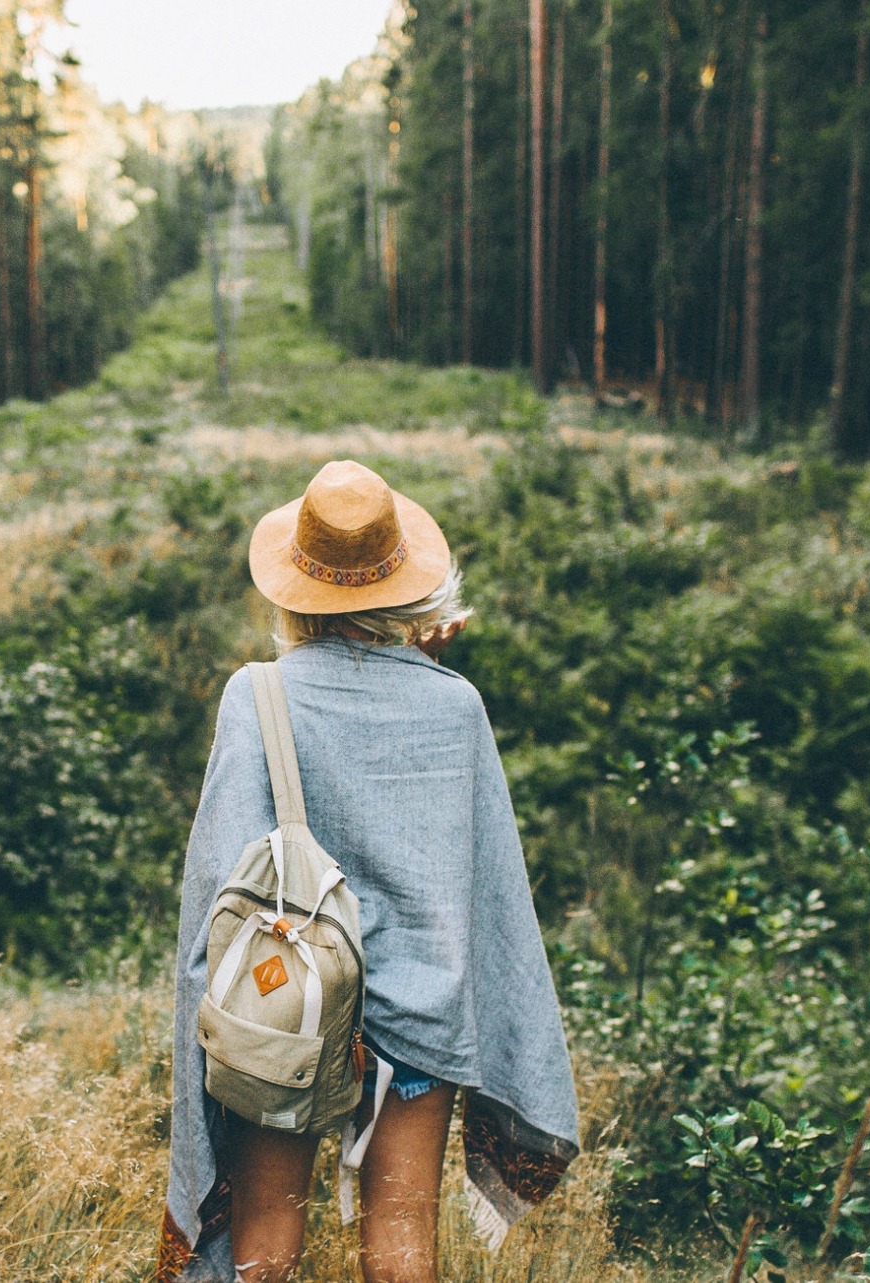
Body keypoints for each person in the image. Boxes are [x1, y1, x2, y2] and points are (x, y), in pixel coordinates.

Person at [159, 460, 582, 1283]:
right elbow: (485, 890)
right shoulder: (456, 705)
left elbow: (221, 883)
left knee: (265, 1249)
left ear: (296, 585)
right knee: (400, 1254)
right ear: (405, 585)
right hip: (419, 1018)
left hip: (287, 1006)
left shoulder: (256, 696)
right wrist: (411, 658)